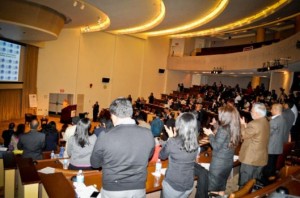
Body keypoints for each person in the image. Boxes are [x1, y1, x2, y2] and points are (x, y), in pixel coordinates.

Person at [90, 97, 154, 198]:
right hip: (139, 188)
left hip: (113, 189)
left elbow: (95, 163)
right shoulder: (148, 134)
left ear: (114, 115)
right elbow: (148, 155)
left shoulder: (105, 135)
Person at [203, 105, 241, 196]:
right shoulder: (235, 127)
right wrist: (216, 125)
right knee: (221, 187)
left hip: (218, 165)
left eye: (220, 114)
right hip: (227, 162)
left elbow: (215, 146)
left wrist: (210, 134)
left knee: (213, 190)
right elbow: (225, 137)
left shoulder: (223, 128)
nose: (218, 115)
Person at [160, 112, 198, 198]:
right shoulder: (195, 142)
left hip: (173, 185)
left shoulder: (173, 142)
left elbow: (162, 155)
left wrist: (170, 138)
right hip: (188, 183)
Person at [238, 103, 270, 187]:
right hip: (260, 157)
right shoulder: (266, 121)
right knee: (254, 182)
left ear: (257, 113)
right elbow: (255, 134)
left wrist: (242, 124)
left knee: (244, 184)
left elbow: (243, 135)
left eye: (252, 111)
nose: (250, 112)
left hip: (250, 158)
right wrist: (246, 126)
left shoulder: (254, 123)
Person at [261, 103, 286, 184]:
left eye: (272, 109)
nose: (270, 110)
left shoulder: (275, 121)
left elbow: (267, 134)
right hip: (277, 146)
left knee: (268, 167)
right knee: (272, 166)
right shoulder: (282, 118)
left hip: (271, 147)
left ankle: (265, 184)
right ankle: (270, 181)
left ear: (275, 110)